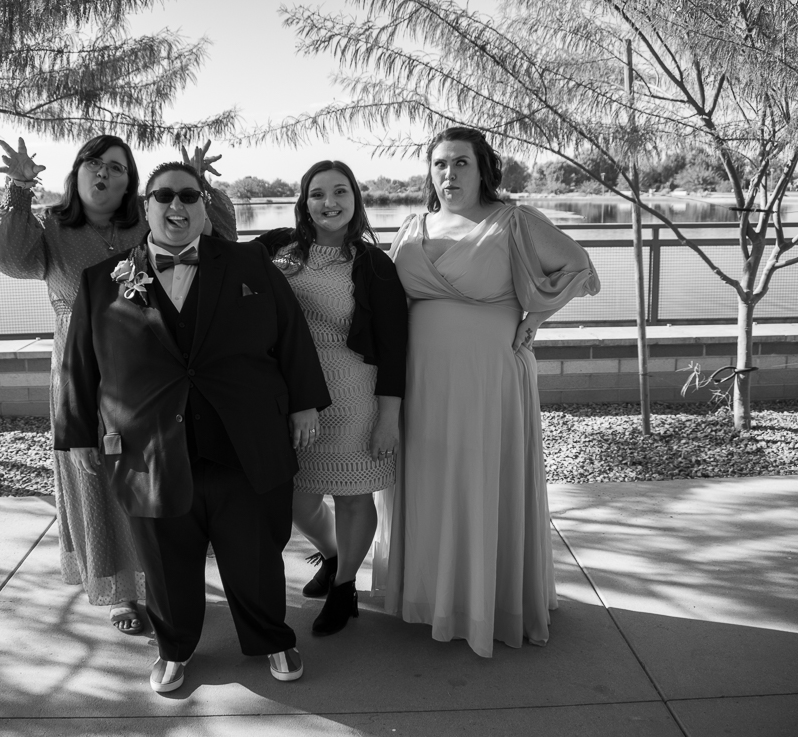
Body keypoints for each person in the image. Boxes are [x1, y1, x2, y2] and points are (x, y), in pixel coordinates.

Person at [54, 162, 331, 693]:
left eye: (188, 195)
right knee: (165, 559)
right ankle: (174, 648)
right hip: (150, 447)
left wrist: (304, 405)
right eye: (164, 196)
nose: (176, 205)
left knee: (254, 552)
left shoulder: (250, 263)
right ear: (146, 207)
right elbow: (79, 366)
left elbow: (292, 333)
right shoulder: (101, 280)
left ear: (205, 205)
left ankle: (271, 637)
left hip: (245, 439)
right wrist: (79, 435)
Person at [0, 135, 235, 637]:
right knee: (96, 473)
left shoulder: (146, 222)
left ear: (130, 183)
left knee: (156, 470)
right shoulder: (50, 230)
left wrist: (195, 188)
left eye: (117, 167)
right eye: (94, 163)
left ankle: (168, 576)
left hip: (151, 372)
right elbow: (8, 258)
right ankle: (122, 589)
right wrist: (18, 188)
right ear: (76, 173)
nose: (104, 173)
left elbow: (219, 244)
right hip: (84, 369)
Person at [376, 127, 600, 658]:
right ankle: (434, 598)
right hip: (421, 380)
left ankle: (487, 605)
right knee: (431, 482)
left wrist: (536, 317)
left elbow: (579, 265)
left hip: (488, 379)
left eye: (461, 163)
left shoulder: (513, 221)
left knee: (481, 481)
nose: (449, 173)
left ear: (483, 170)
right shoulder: (412, 227)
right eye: (440, 164)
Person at [262, 161, 408, 637]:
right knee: (296, 501)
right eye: (318, 193)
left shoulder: (374, 266)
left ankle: (345, 588)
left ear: (355, 200)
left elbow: (394, 347)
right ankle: (331, 555)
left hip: (353, 396)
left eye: (340, 191)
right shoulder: (278, 248)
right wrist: (204, 192)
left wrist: (388, 418)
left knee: (352, 497)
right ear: (304, 202)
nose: (330, 202)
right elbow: (219, 256)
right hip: (292, 396)